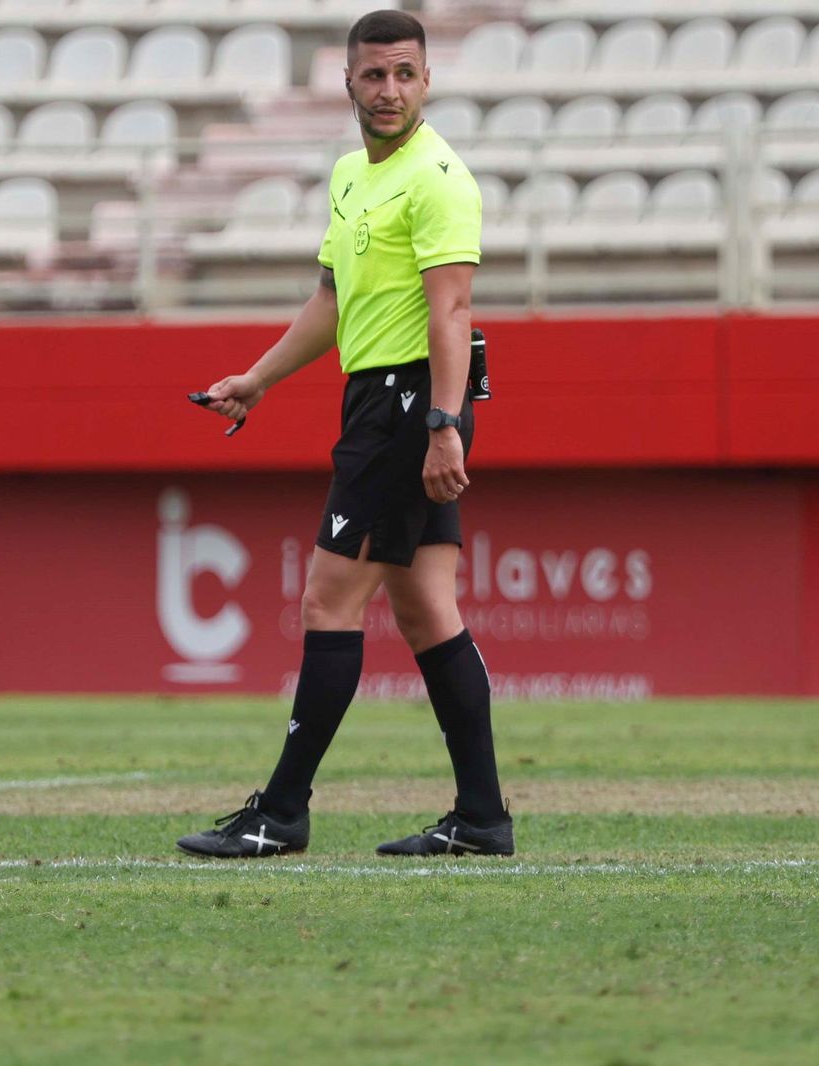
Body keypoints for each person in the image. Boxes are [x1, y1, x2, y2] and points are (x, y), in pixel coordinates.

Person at [178, 10, 512, 858]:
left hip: (409, 406)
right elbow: (332, 303)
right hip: (384, 400)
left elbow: (454, 312)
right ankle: (481, 820)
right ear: (349, 83)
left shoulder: (439, 179)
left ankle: (281, 812)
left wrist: (443, 425)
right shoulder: (351, 178)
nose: (389, 90)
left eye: (405, 74)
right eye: (374, 75)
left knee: (327, 601)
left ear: (428, 80)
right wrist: (256, 379)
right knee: (427, 608)